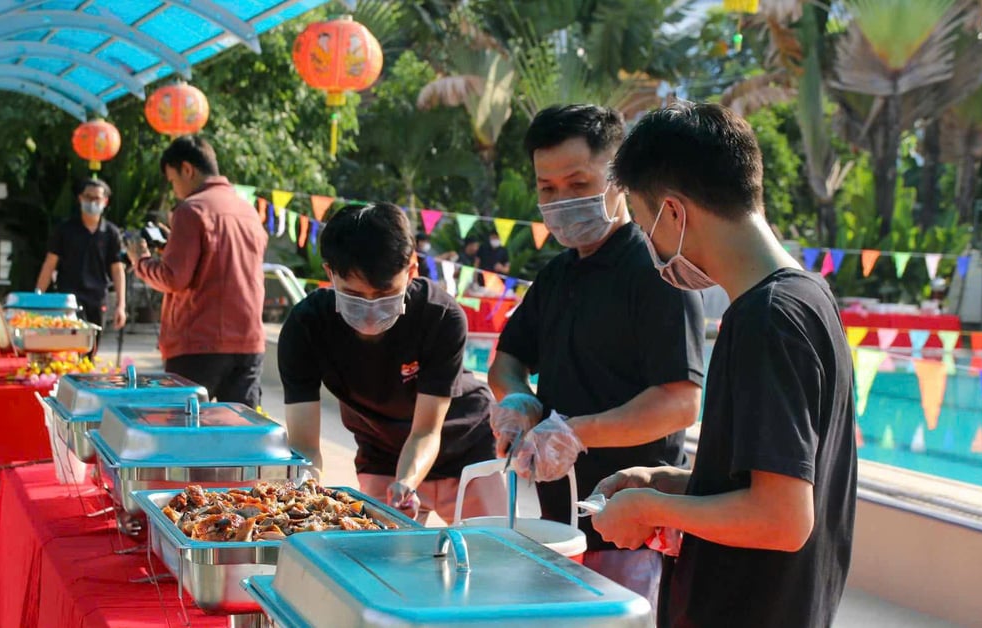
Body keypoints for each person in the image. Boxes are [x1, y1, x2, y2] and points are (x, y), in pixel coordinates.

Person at [593, 102, 855, 628]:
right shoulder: (806, 299)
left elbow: (781, 519)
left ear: (673, 212)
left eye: (646, 228)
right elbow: (766, 486)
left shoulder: (769, 319)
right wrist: (669, 482)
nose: (652, 247)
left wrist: (649, 511)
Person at [487, 104, 705, 603]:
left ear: (617, 178)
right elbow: (506, 361)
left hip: (634, 525)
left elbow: (680, 402)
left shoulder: (659, 271)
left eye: (578, 183)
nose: (561, 200)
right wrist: (520, 401)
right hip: (556, 521)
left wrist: (575, 431)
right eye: (548, 189)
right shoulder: (557, 275)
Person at [278, 203, 505, 524]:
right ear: (330, 273)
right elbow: (303, 447)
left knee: (494, 555)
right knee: (381, 556)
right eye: (354, 295)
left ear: (412, 270)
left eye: (385, 294)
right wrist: (300, 496)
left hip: (466, 448)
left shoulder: (440, 316)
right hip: (381, 454)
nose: (370, 310)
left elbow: (426, 431)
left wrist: (406, 483)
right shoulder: (307, 327)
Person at [127, 136, 267, 408]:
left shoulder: (191, 210)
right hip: (248, 344)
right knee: (239, 435)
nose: (175, 189)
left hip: (199, 344)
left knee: (185, 436)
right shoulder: (247, 211)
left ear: (187, 170)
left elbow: (173, 278)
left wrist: (141, 261)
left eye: (173, 180)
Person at [36, 178, 127, 333]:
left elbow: (117, 269)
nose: (92, 202)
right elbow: (50, 264)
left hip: (97, 298)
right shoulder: (65, 230)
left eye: (96, 198)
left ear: (105, 201)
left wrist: (121, 305)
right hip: (69, 297)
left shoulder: (111, 233)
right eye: (88, 197)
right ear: (80, 198)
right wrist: (37, 298)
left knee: (92, 346)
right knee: (70, 344)